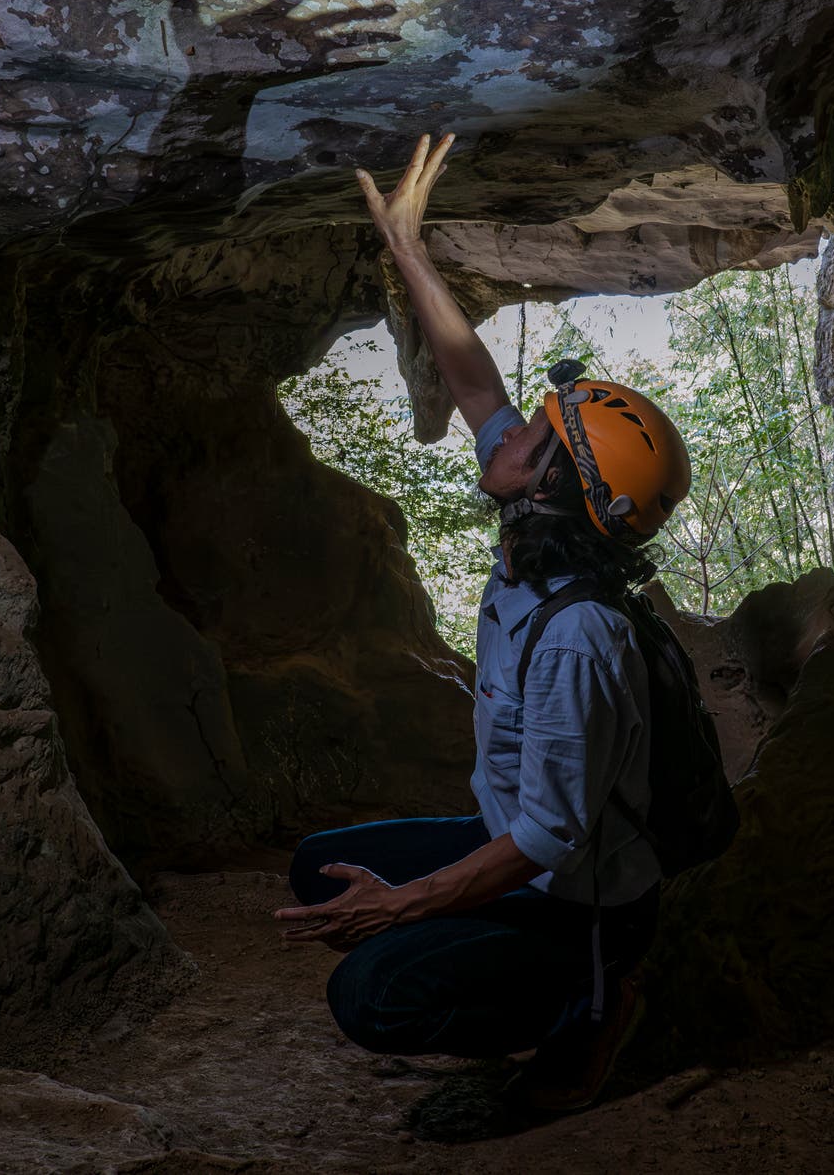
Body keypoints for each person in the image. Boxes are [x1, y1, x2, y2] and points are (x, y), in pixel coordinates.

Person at [272, 133, 693, 1111]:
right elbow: (475, 384)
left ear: (551, 493)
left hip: (573, 904)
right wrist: (408, 248)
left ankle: (587, 1007)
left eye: (537, 438)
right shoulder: (541, 524)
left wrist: (401, 905)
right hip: (515, 842)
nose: (509, 432)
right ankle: (475, 945)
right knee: (313, 865)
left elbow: (547, 839)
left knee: (368, 991)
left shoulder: (579, 638)